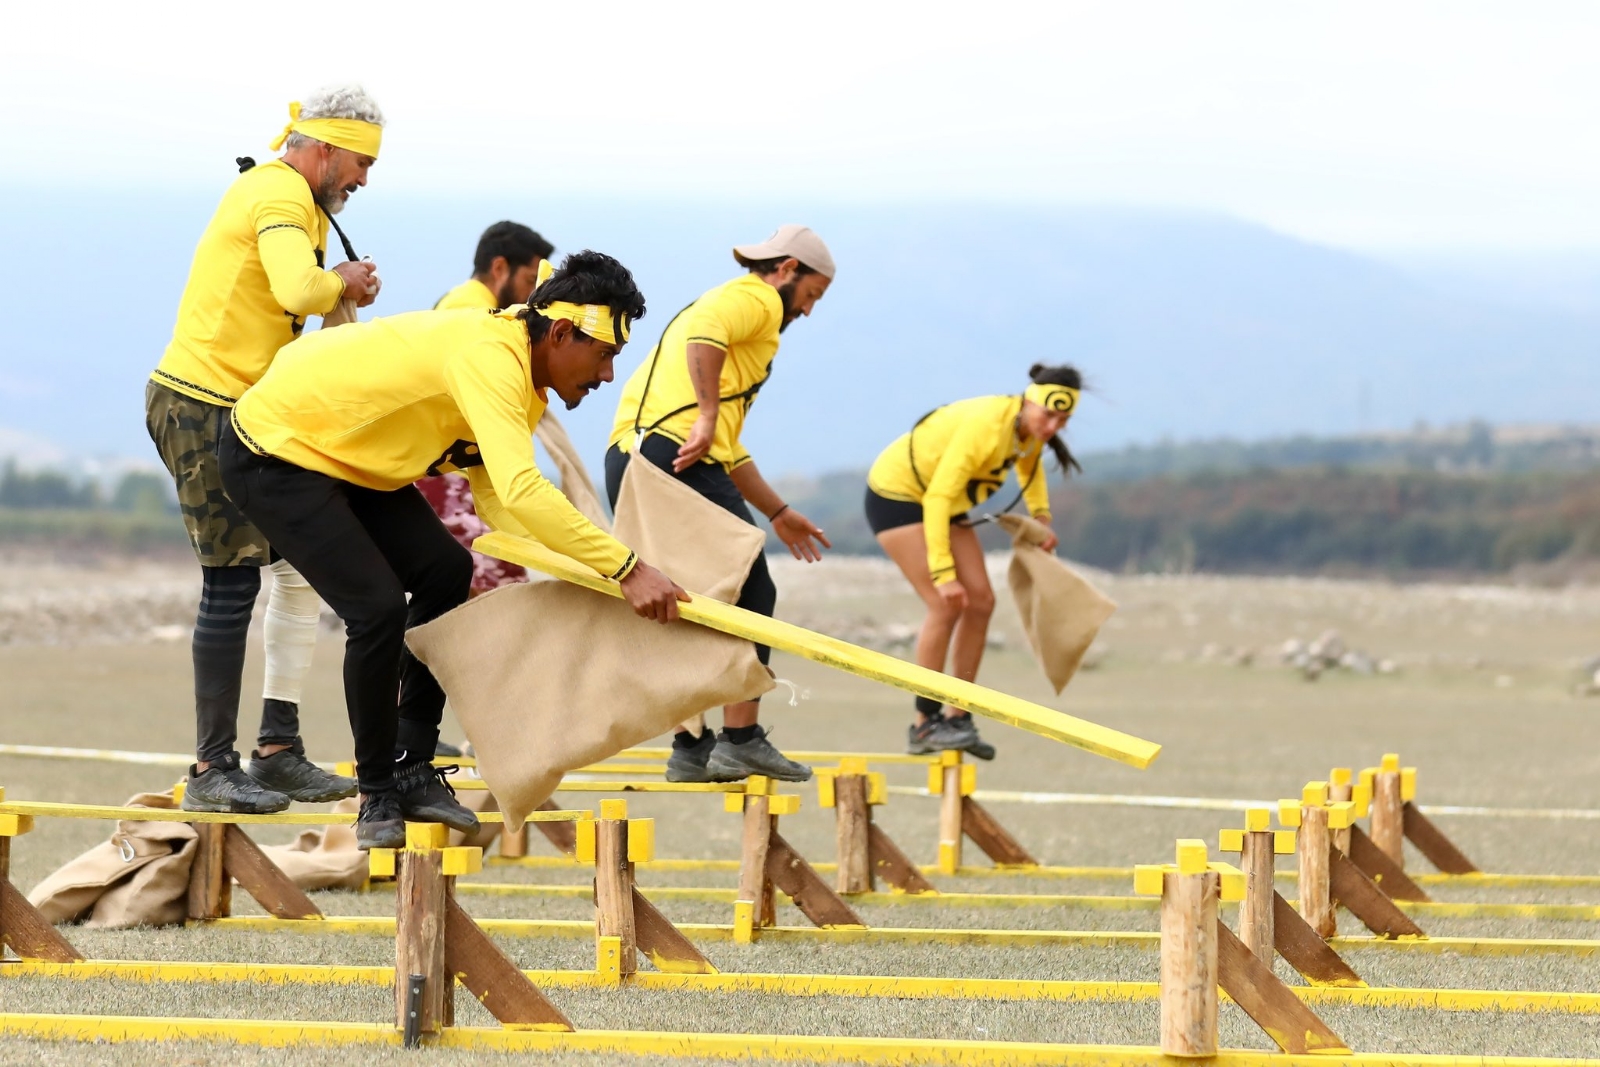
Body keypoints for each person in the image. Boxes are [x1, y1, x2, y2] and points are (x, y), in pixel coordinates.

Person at [220, 251, 687, 849]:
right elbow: (521, 487)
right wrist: (628, 567)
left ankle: (413, 763)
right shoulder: (491, 356)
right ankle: (378, 792)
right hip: (273, 450)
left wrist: (600, 576)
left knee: (446, 569)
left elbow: (499, 502)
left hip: (347, 459)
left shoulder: (522, 380)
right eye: (606, 355)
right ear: (563, 333)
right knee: (378, 607)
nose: (606, 376)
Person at [145, 84, 385, 814]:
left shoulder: (294, 199)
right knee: (232, 582)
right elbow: (298, 286)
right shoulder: (278, 193)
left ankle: (277, 749)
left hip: (245, 410)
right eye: (359, 162)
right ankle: (212, 766)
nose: (364, 180)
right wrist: (338, 280)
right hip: (201, 405)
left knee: (295, 566)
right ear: (321, 148)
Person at [604, 225, 834, 784]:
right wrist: (706, 416)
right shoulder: (754, 296)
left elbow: (730, 450)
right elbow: (703, 336)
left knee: (683, 602)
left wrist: (779, 513)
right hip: (675, 455)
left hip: (634, 456)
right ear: (786, 271)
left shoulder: (740, 338)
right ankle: (741, 739)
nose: (807, 310)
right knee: (752, 589)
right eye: (811, 295)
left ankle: (690, 747)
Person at [863, 364, 1082, 759]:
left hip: (944, 504)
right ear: (1029, 401)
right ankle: (924, 724)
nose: (1052, 427)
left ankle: (957, 717)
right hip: (900, 496)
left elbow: (1029, 468)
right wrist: (944, 574)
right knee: (946, 601)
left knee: (981, 602)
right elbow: (937, 498)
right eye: (1048, 415)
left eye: (1063, 420)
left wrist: (1042, 518)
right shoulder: (987, 426)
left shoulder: (1027, 431)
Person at [433, 221, 555, 311]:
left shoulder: (457, 299)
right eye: (531, 280)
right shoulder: (474, 311)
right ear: (499, 268)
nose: (534, 292)